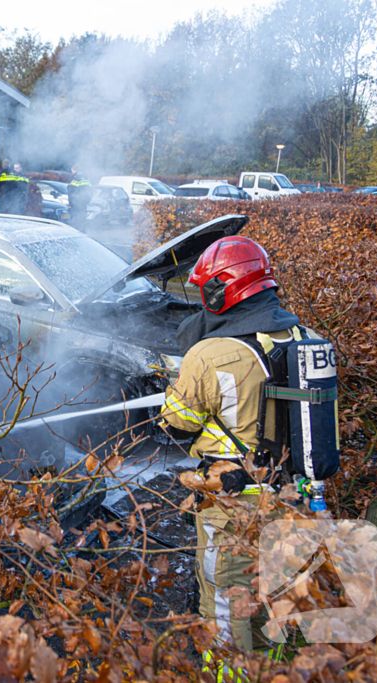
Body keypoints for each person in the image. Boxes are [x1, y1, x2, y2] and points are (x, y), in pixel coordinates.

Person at [160, 236, 309, 675]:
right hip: (295, 497)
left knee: (226, 601)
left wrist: (177, 389)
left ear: (224, 289)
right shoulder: (303, 336)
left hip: (233, 507)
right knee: (276, 596)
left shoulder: (210, 355)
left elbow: (176, 425)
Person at [66, 164, 92, 229]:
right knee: (82, 218)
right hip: (84, 202)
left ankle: (77, 231)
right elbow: (90, 191)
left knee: (75, 220)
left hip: (77, 203)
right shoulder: (85, 177)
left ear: (74, 170)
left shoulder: (76, 177)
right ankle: (82, 231)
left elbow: (73, 189)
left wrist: (68, 186)